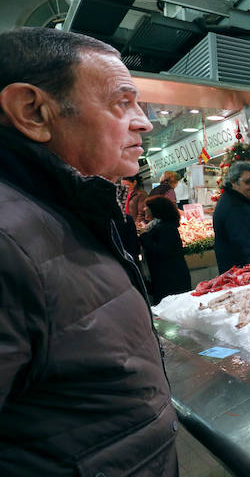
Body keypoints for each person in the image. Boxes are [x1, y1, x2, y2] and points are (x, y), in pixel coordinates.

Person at [0, 27, 178, 474]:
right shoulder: (8, 243)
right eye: (123, 102)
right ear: (33, 111)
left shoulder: (71, 210)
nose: (144, 121)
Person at [141, 195, 191, 304]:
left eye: (147, 207)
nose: (144, 209)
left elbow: (162, 252)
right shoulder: (157, 226)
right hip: (165, 278)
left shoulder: (166, 228)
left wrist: (144, 237)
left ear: (157, 210)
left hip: (172, 281)